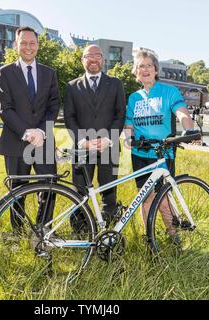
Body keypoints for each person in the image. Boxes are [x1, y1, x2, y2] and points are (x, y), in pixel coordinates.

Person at [124, 49, 195, 244]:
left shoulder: (169, 91)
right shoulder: (133, 98)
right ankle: (149, 238)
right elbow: (129, 125)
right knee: (145, 198)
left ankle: (174, 237)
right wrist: (128, 138)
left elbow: (181, 112)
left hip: (163, 152)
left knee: (164, 198)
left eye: (149, 65)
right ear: (136, 72)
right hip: (140, 153)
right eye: (140, 66)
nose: (145, 69)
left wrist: (188, 130)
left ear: (156, 70)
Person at [0, 26, 60, 228]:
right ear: (16, 45)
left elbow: (53, 106)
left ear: (38, 45)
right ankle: (18, 233)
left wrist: (41, 131)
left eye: (32, 43)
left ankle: (44, 231)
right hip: (16, 141)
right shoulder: (5, 72)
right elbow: (5, 108)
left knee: (49, 188)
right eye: (23, 42)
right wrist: (26, 132)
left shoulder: (50, 74)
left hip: (44, 141)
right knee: (17, 191)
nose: (28, 47)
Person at [64, 45, 126, 229]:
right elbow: (69, 117)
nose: (93, 60)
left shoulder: (116, 84)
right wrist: (83, 141)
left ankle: (109, 232)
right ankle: (80, 231)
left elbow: (120, 114)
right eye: (88, 56)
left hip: (109, 146)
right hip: (82, 148)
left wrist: (108, 139)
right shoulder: (72, 86)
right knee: (79, 192)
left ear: (102, 59)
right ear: (82, 60)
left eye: (97, 56)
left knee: (109, 191)